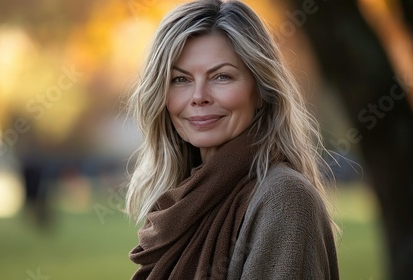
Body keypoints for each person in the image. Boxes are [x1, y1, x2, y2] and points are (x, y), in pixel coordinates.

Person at [125, 0, 340, 279]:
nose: (198, 96)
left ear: (261, 91)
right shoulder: (185, 201)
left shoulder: (284, 199)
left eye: (222, 76)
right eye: (180, 79)